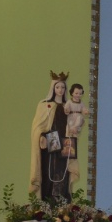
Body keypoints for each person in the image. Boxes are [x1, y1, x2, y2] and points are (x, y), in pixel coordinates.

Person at [29, 71, 79, 201]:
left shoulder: (69, 106)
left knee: (63, 172)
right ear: (53, 88)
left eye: (63, 87)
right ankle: (48, 199)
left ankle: (62, 200)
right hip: (51, 140)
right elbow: (37, 127)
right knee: (50, 170)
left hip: (65, 142)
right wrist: (42, 136)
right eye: (58, 87)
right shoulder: (44, 105)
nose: (60, 90)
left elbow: (75, 123)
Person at [62, 83, 89, 160]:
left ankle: (73, 148)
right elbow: (66, 109)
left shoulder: (81, 103)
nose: (78, 95)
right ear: (72, 93)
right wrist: (66, 110)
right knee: (68, 131)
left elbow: (83, 109)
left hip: (78, 119)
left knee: (80, 119)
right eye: (76, 93)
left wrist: (85, 111)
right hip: (71, 118)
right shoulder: (69, 102)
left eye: (80, 93)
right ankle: (66, 150)